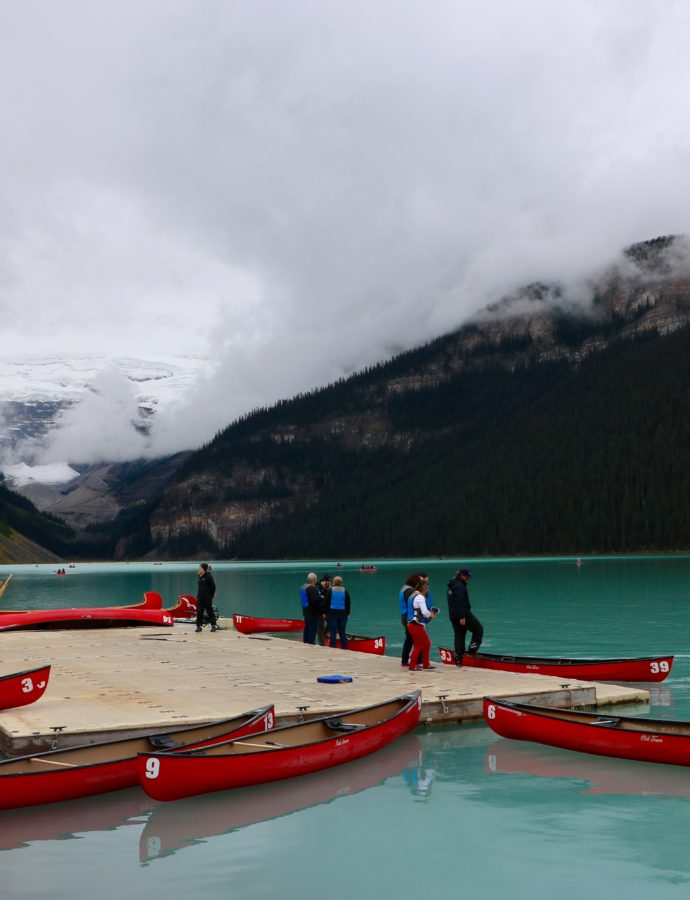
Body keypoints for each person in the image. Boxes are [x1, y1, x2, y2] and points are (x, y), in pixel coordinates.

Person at [446, 568, 483, 666]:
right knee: (478, 629)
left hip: (453, 615)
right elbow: (459, 602)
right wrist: (462, 617)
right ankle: (472, 650)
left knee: (459, 635)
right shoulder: (459, 586)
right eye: (467, 577)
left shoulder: (452, 584)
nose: (468, 579)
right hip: (463, 614)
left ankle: (459, 658)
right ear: (461, 575)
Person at [407, 576, 439, 670]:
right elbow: (424, 612)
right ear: (424, 588)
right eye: (427, 588)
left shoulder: (413, 595)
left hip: (413, 624)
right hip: (416, 625)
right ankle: (412, 666)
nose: (427, 590)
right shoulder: (420, 597)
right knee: (418, 646)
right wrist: (431, 615)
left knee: (427, 644)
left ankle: (426, 664)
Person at [398, 572, 427, 667]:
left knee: (409, 639)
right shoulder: (410, 591)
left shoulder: (404, 588)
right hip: (409, 617)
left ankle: (405, 660)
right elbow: (412, 605)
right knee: (417, 639)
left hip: (404, 615)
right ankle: (418, 661)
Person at [326, 575, 351, 649]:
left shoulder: (330, 591)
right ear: (341, 583)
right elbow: (348, 604)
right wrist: (348, 613)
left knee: (333, 632)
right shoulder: (345, 592)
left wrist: (325, 613)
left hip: (332, 614)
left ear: (334, 582)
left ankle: (332, 648)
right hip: (343, 615)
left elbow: (326, 603)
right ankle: (344, 648)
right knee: (342, 632)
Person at [300, 572, 322, 644]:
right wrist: (320, 611)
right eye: (315, 579)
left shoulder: (303, 587)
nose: (316, 581)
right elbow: (315, 601)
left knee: (307, 627)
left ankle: (305, 641)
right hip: (312, 612)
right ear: (312, 580)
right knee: (312, 628)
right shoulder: (312, 588)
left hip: (305, 610)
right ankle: (311, 643)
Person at [195, 562, 218, 632]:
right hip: (200, 597)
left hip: (207, 598)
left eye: (200, 568)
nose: (199, 569)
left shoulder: (209, 577)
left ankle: (213, 626)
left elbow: (213, 586)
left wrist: (212, 595)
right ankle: (199, 626)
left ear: (204, 568)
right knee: (199, 612)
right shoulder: (200, 576)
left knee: (210, 611)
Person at [317, 574, 331, 646]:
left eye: (329, 581)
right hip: (320, 611)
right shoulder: (319, 588)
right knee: (320, 627)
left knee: (331, 624)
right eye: (327, 581)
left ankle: (324, 635)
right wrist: (322, 613)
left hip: (327, 611)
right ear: (324, 581)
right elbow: (318, 601)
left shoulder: (329, 588)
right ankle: (321, 644)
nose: (328, 583)